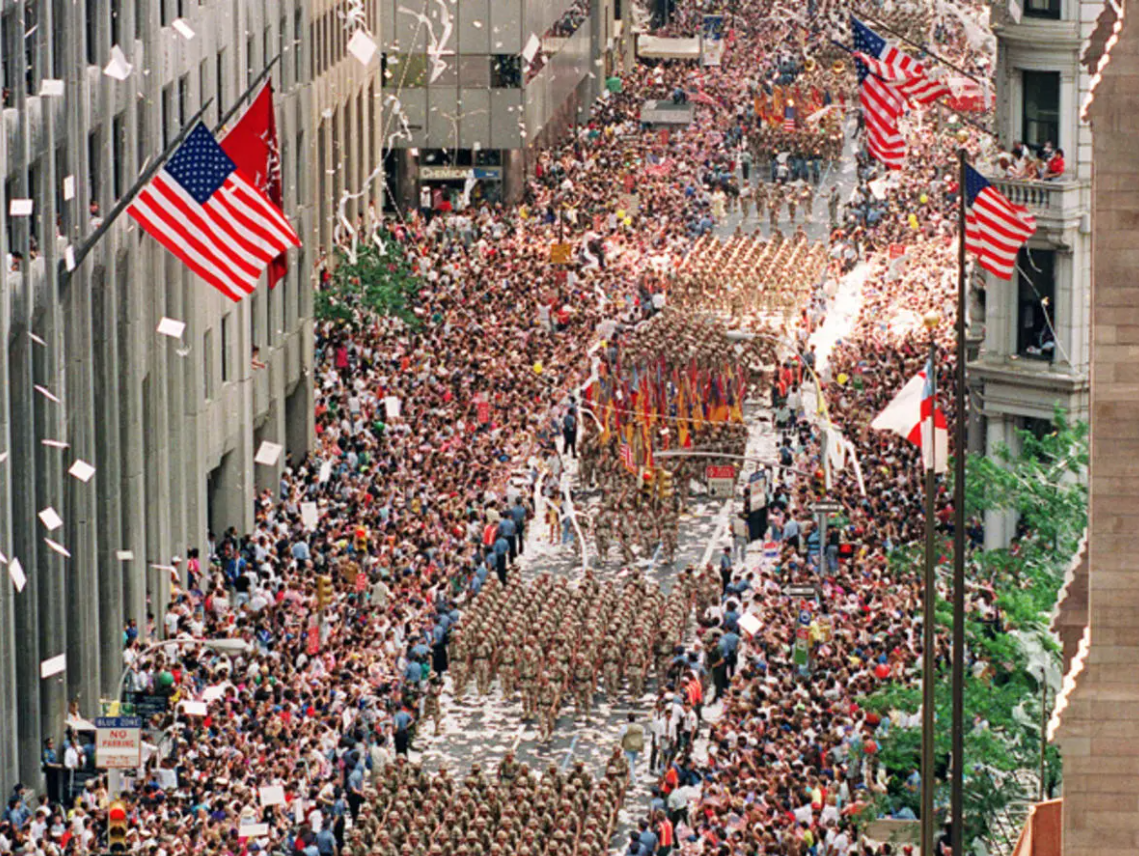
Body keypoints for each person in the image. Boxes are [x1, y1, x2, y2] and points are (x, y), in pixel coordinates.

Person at [620, 713, 645, 786]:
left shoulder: (625, 727)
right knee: (632, 762)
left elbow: (620, 735)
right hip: (637, 746)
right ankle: (630, 777)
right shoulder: (640, 727)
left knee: (630, 764)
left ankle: (633, 780)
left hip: (628, 747)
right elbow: (643, 734)